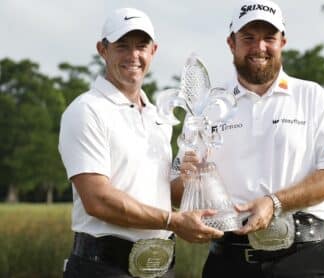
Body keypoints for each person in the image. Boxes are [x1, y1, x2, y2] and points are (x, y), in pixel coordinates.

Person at [172, 0, 324, 277]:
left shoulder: (313, 97)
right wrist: (189, 181)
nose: (260, 47)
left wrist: (274, 202)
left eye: (269, 38)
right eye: (248, 38)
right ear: (231, 43)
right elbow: (175, 189)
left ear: (283, 41)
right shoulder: (205, 105)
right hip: (227, 260)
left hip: (303, 258)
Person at [58, 7, 223, 278]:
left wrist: (191, 177)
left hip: (161, 267)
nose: (133, 55)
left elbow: (165, 194)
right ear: (103, 49)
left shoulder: (158, 114)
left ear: (153, 51)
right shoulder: (86, 110)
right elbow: (97, 199)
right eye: (122, 46)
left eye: (141, 46)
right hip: (103, 268)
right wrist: (173, 221)